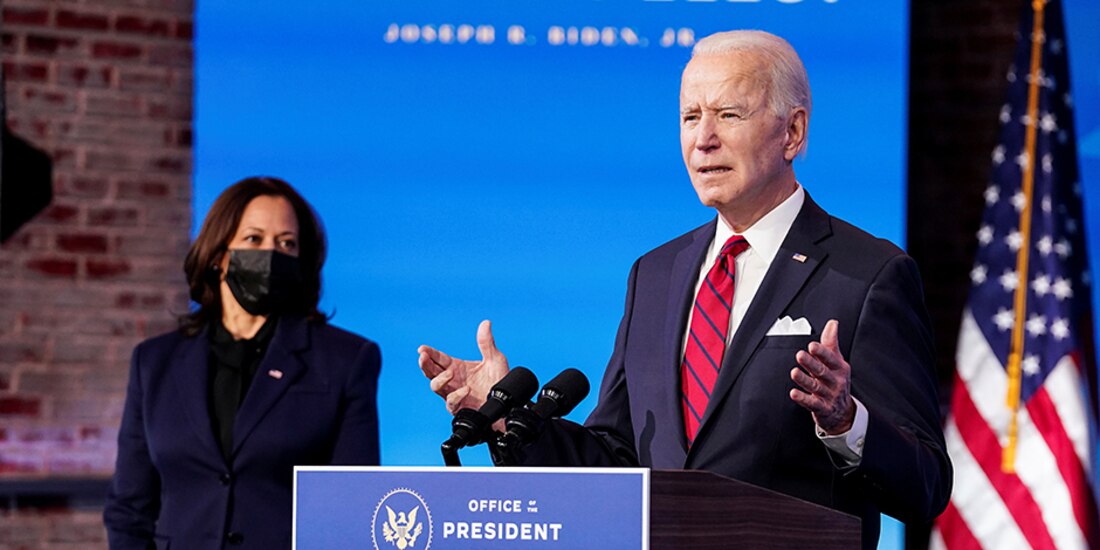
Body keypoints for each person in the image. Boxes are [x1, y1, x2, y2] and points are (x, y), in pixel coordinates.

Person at [419, 30, 951, 549]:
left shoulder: (868, 274)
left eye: (729, 114)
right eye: (690, 117)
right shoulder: (655, 273)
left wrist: (845, 421)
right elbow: (617, 458)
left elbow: (926, 484)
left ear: (793, 133)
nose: (703, 139)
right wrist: (508, 417)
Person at [104, 177, 381, 549]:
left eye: (286, 243)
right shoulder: (154, 362)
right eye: (254, 239)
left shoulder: (345, 360)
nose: (271, 254)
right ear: (218, 256)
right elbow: (129, 508)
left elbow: (353, 509)